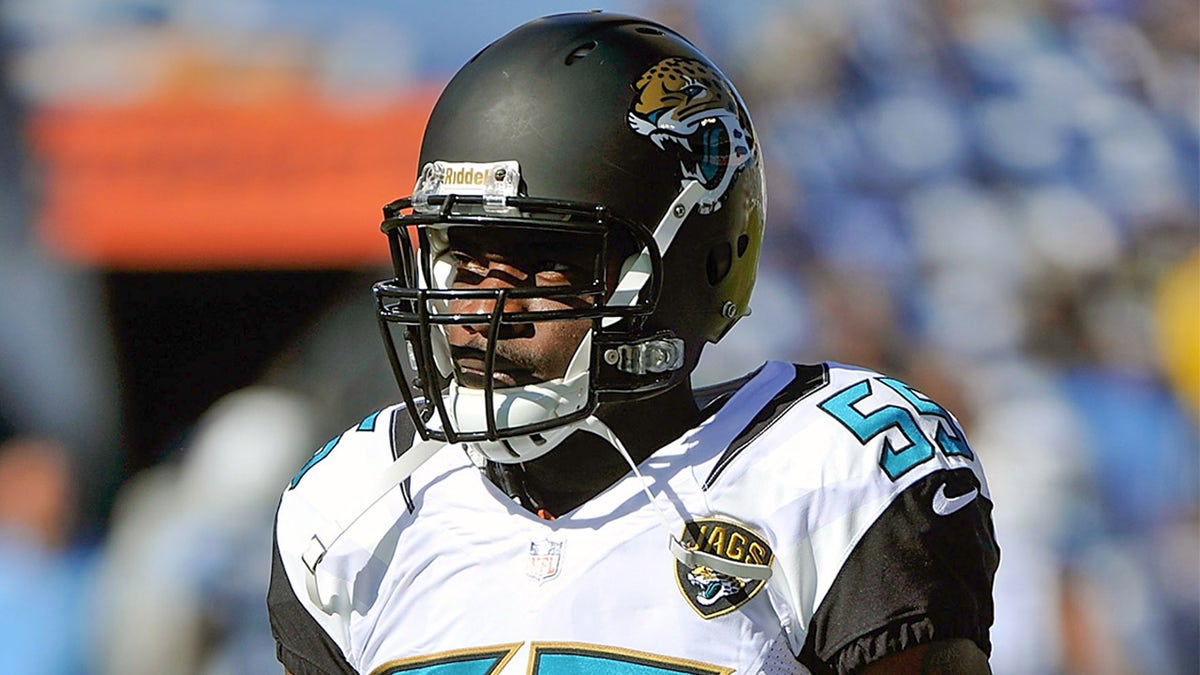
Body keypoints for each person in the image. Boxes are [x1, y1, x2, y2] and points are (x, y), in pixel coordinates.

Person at [267, 11, 999, 674]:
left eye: (537, 257)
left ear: (692, 264)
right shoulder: (356, 511)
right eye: (461, 255)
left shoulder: (831, 475)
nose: (478, 306)